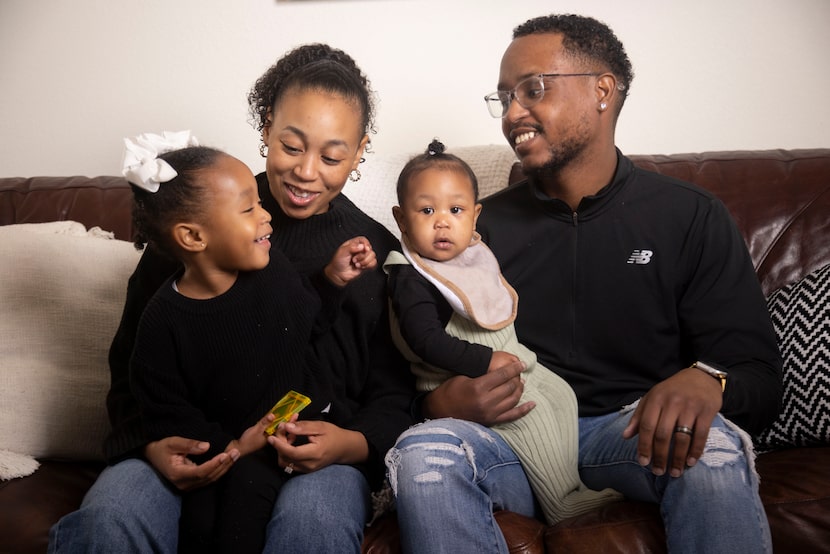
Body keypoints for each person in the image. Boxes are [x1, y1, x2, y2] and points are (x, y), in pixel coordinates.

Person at [387, 14, 782, 554]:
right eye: (503, 97)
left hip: (629, 435)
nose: (511, 114)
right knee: (422, 454)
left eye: (532, 89)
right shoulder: (474, 233)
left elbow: (759, 378)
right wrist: (438, 406)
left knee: (710, 446)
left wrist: (709, 380)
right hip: (512, 437)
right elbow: (402, 357)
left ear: (602, 90)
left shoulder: (689, 216)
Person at [48, 44, 413, 554]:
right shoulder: (196, 218)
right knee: (111, 515)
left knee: (313, 527)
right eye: (291, 146)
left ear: (358, 152)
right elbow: (134, 366)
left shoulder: (374, 251)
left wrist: (351, 444)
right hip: (196, 444)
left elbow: (396, 390)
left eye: (331, 156)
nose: (307, 172)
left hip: (314, 459)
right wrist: (152, 444)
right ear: (266, 128)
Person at [120, 133, 377, 552]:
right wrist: (235, 447)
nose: (267, 218)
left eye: (259, 204)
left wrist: (331, 279)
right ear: (194, 238)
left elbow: (305, 320)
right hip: (229, 448)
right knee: (202, 523)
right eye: (249, 208)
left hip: (292, 429)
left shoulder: (271, 266)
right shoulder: (163, 320)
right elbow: (166, 411)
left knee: (249, 512)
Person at [383, 139, 621, 525]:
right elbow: (424, 341)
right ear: (400, 218)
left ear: (475, 216)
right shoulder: (411, 276)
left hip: (512, 364)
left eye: (455, 210)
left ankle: (571, 480)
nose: (442, 221)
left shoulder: (472, 258)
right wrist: (485, 359)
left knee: (562, 396)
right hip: (461, 380)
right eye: (426, 210)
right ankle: (560, 501)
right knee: (533, 417)